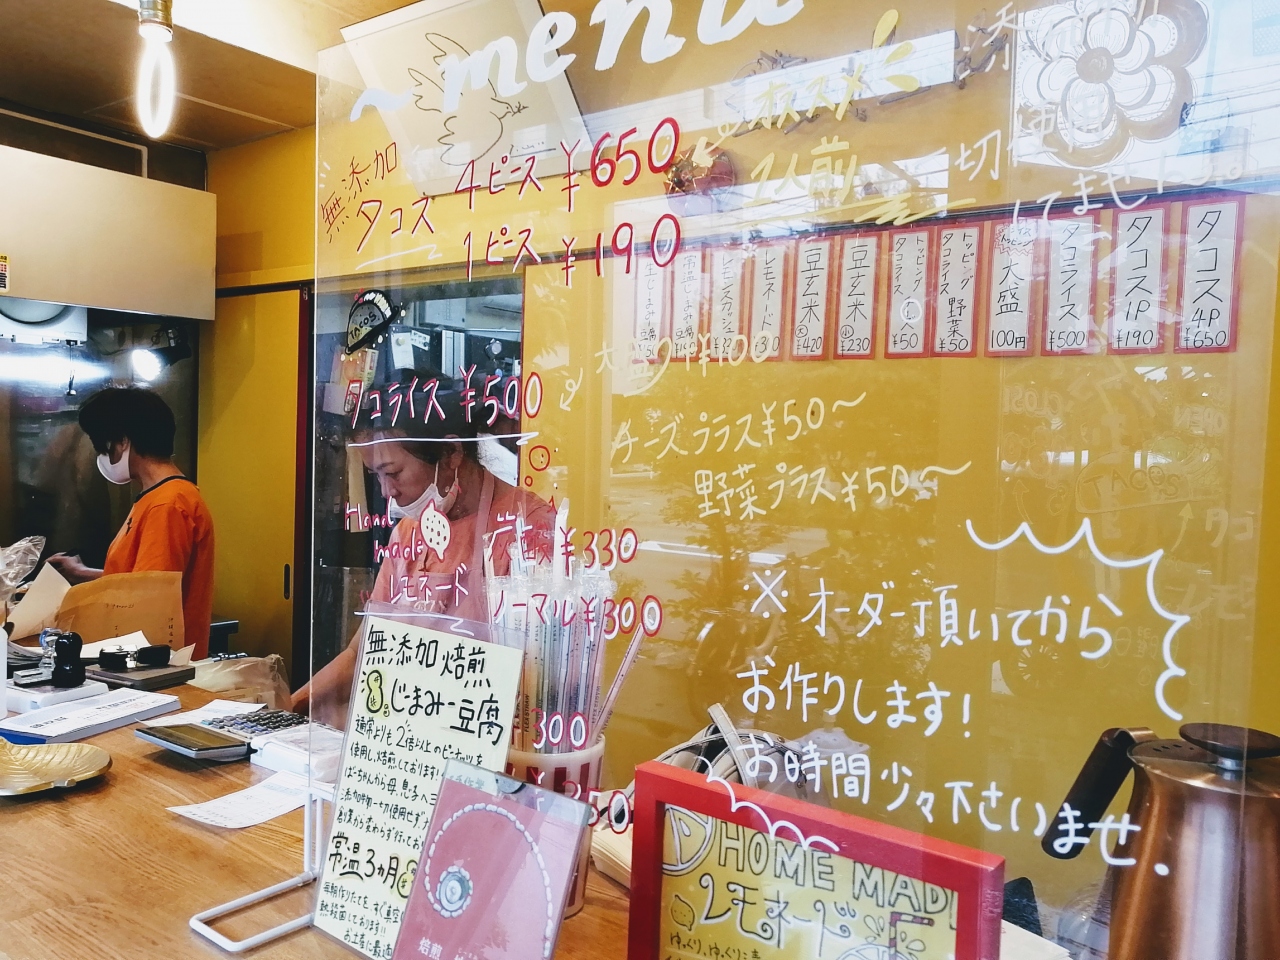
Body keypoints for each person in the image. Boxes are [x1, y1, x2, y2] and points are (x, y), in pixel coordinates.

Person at [291, 388, 553, 719]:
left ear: (451, 453)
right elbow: (361, 652)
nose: (387, 492)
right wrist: (287, 707)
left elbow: (538, 676)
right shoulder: (408, 532)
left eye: (393, 473)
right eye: (376, 475)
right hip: (408, 729)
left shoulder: (528, 527)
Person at [47, 387, 216, 658]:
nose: (102, 456)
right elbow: (138, 581)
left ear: (123, 442)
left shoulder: (168, 505)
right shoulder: (156, 498)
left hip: (159, 666)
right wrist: (81, 573)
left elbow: (147, 602)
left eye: (102, 446)